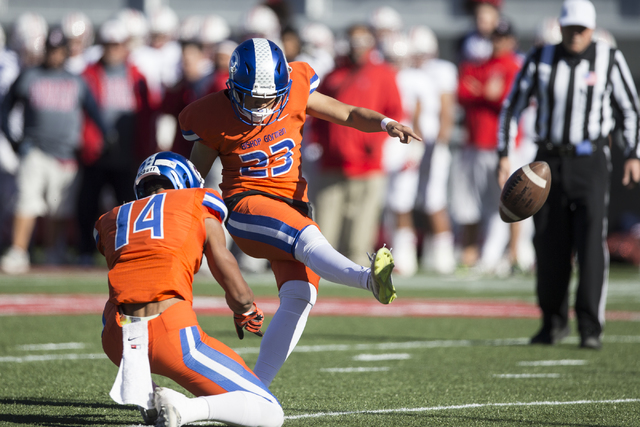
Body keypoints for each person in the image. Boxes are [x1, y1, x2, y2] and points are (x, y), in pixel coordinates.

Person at [181, 38, 420, 387]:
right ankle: (367, 279)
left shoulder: (295, 87)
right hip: (247, 205)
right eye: (253, 95)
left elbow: (349, 113)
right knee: (307, 237)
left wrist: (386, 123)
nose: (262, 104)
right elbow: (193, 180)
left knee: (301, 295)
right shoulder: (210, 114)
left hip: (292, 203)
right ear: (233, 87)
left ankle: (255, 388)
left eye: (269, 96)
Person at [97, 151, 283, 427]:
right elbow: (227, 270)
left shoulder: (111, 218)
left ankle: (148, 395)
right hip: (169, 335)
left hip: (115, 339)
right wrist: (245, 307)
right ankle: (183, 409)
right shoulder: (197, 201)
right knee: (270, 412)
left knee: (122, 296)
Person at [497, 0, 640, 350]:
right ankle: (552, 322)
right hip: (546, 160)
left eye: (581, 29)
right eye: (570, 28)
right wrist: (503, 154)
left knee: (591, 243)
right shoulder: (540, 58)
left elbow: (630, 109)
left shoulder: (608, 58)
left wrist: (634, 153)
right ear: (559, 27)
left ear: (591, 29)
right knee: (548, 243)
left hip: (590, 160)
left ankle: (590, 326)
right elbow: (511, 105)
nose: (575, 35)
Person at [0, 27, 106, 274]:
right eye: (52, 50)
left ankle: (52, 251)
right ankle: (18, 250)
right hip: (35, 149)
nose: (55, 56)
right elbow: (5, 109)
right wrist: (13, 139)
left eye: (60, 51)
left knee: (59, 207)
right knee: (26, 201)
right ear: (45, 50)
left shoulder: (75, 80)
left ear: (65, 53)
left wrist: (106, 135)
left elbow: (94, 110)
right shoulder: (29, 76)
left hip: (67, 153)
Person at [311, 24, 404, 266]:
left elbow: (394, 112)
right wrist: (319, 142)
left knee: (359, 239)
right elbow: (316, 113)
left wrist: (376, 141)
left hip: (368, 166)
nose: (357, 47)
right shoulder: (334, 75)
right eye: (354, 41)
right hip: (332, 164)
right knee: (324, 235)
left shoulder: (383, 74)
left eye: (362, 41)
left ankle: (356, 290)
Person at [76, 19, 156, 266]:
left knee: (129, 205)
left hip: (127, 153)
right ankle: (84, 251)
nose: (112, 49)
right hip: (96, 153)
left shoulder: (137, 76)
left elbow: (147, 114)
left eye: (117, 44)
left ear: (125, 46)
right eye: (108, 44)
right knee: (87, 203)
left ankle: (130, 251)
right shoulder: (88, 74)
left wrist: (146, 149)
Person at [454, 18, 522, 270]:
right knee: (469, 202)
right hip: (473, 142)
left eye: (503, 38)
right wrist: (486, 91)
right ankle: (470, 252)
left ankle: (513, 254)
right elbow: (461, 92)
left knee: (510, 200)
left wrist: (479, 92)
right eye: (495, 37)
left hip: (501, 145)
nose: (498, 43)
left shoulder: (514, 66)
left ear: (511, 41)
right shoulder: (477, 65)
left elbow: (506, 99)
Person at [410, 25, 458, 275]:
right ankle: (428, 253)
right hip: (412, 146)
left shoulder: (441, 70)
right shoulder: (409, 73)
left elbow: (446, 110)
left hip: (431, 144)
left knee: (433, 199)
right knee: (408, 199)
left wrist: (440, 142)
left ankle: (444, 255)